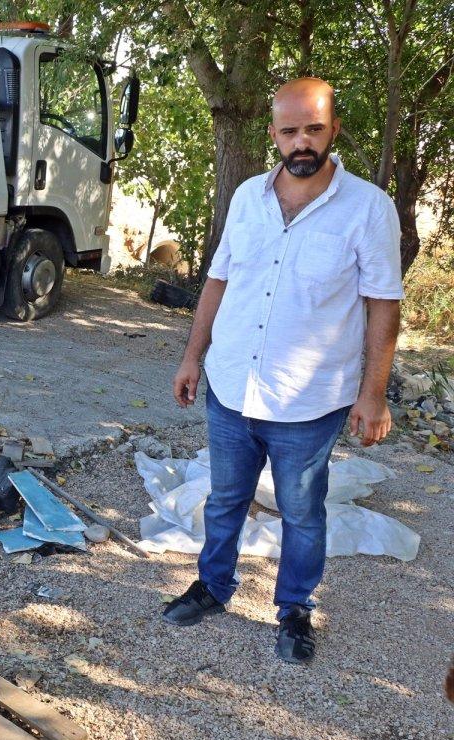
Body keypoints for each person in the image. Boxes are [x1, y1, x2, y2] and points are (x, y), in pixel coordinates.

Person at [163, 77, 403, 664]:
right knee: (225, 500)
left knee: (302, 513)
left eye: (314, 129)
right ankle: (214, 587)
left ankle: (294, 607)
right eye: (290, 130)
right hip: (231, 387)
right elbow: (218, 279)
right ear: (273, 134)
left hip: (309, 402)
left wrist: (373, 395)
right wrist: (193, 356)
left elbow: (383, 304)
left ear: (333, 130)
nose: (302, 142)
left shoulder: (368, 209)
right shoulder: (247, 197)